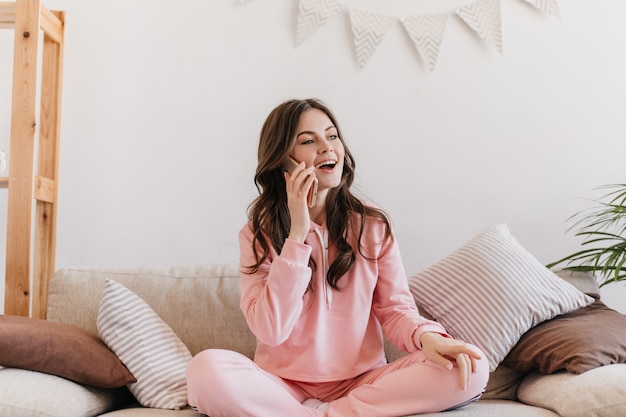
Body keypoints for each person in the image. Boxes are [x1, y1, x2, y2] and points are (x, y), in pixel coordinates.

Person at [186, 98, 489, 417]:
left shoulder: (373, 227)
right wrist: (297, 235)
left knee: (471, 367)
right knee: (205, 370)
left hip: (363, 382)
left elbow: (395, 310)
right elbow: (271, 329)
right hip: (281, 385)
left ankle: (323, 414)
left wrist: (427, 337)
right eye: (308, 141)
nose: (327, 147)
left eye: (332, 136)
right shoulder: (256, 234)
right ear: (282, 161)